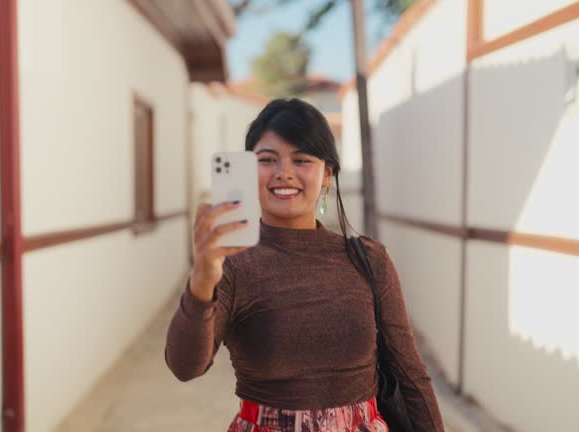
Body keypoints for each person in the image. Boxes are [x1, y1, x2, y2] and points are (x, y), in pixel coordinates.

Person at [166, 98, 444, 432]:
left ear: (327, 174)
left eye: (301, 159)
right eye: (267, 160)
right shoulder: (231, 264)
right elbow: (185, 366)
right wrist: (202, 278)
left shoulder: (369, 260)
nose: (284, 172)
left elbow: (410, 373)